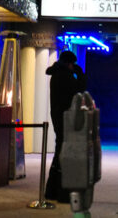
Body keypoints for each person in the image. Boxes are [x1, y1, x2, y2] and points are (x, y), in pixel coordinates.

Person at [44, 50, 86, 202]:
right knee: (63, 153)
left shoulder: (56, 75)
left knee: (59, 151)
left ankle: (51, 190)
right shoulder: (65, 76)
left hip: (57, 116)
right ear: (69, 63)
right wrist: (80, 73)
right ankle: (59, 192)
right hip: (65, 118)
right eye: (72, 64)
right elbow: (80, 89)